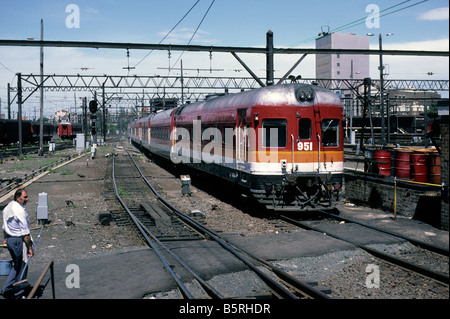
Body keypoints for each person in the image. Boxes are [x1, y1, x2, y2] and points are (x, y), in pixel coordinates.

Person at [1, 189, 34, 298]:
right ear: (17, 197)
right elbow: (25, 233)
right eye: (24, 197)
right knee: (23, 265)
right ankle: (19, 293)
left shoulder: (7, 208)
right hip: (18, 240)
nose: (26, 199)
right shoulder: (19, 211)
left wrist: (5, 239)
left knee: (17, 265)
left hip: (10, 240)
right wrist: (30, 247)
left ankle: (7, 288)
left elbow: (4, 228)